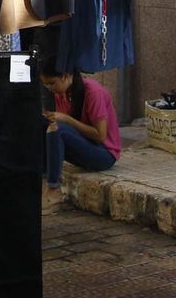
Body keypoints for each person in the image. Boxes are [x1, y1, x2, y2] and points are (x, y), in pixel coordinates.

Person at [40, 63, 121, 202]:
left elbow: (100, 135)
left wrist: (67, 119)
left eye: (52, 84)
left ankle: (53, 190)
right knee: (42, 126)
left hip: (105, 154)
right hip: (85, 146)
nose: (50, 89)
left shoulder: (93, 92)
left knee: (58, 129)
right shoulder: (62, 93)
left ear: (65, 76)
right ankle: (41, 182)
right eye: (47, 86)